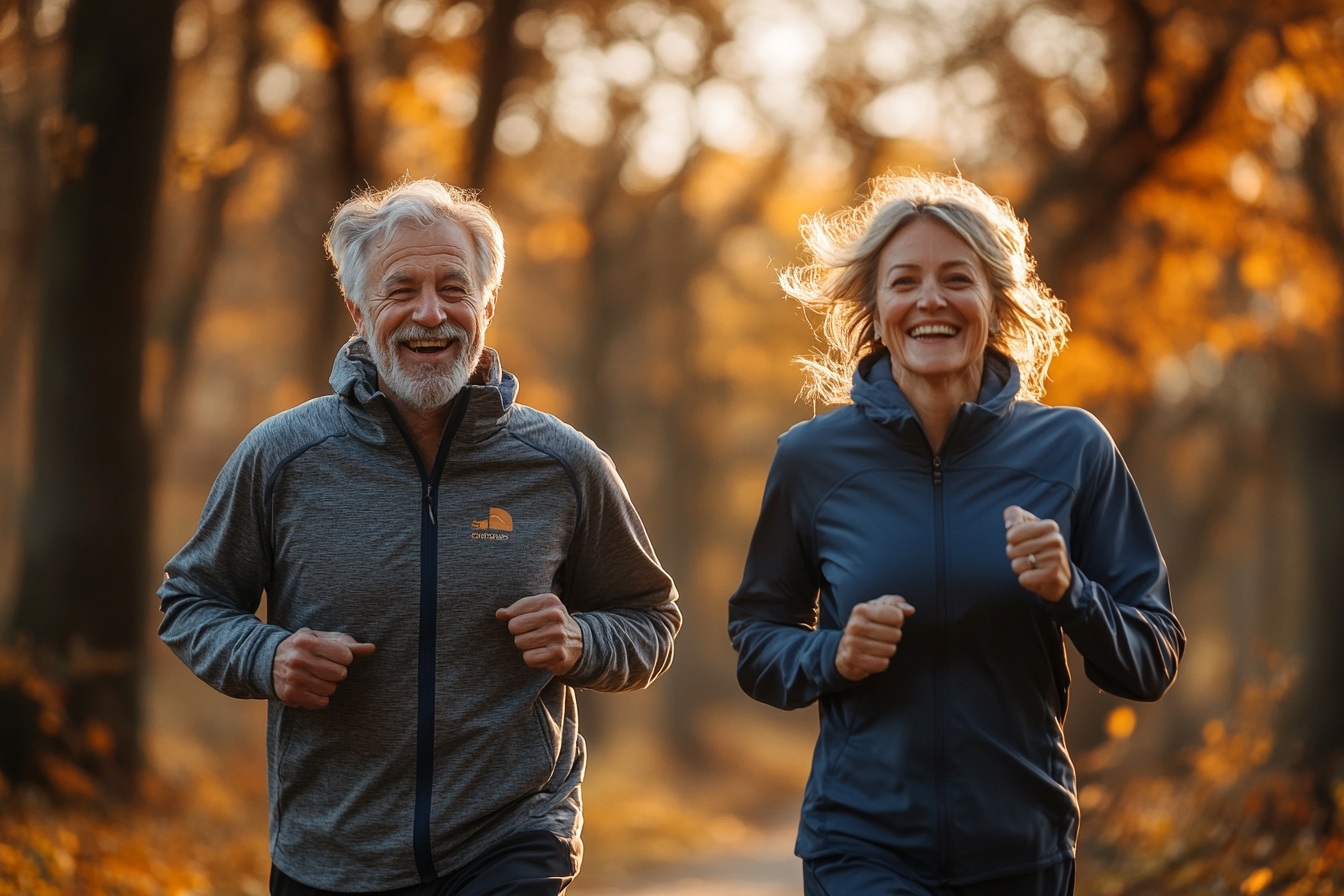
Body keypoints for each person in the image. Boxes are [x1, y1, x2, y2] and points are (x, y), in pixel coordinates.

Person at [159, 178, 680, 896]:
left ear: (487, 306)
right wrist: (266, 655)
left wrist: (582, 642)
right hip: (331, 851)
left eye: (454, 289)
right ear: (358, 310)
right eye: (401, 290)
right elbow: (189, 602)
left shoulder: (563, 465)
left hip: (512, 836)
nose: (430, 314)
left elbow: (650, 619)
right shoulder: (282, 457)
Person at [727, 171, 1183, 895]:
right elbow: (757, 637)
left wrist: (1072, 593)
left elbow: (1152, 658)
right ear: (876, 313)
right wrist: (833, 654)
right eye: (904, 281)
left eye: (957, 279)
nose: (930, 300)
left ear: (996, 304)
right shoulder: (812, 459)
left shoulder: (1073, 449)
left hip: (1021, 849)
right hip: (861, 844)